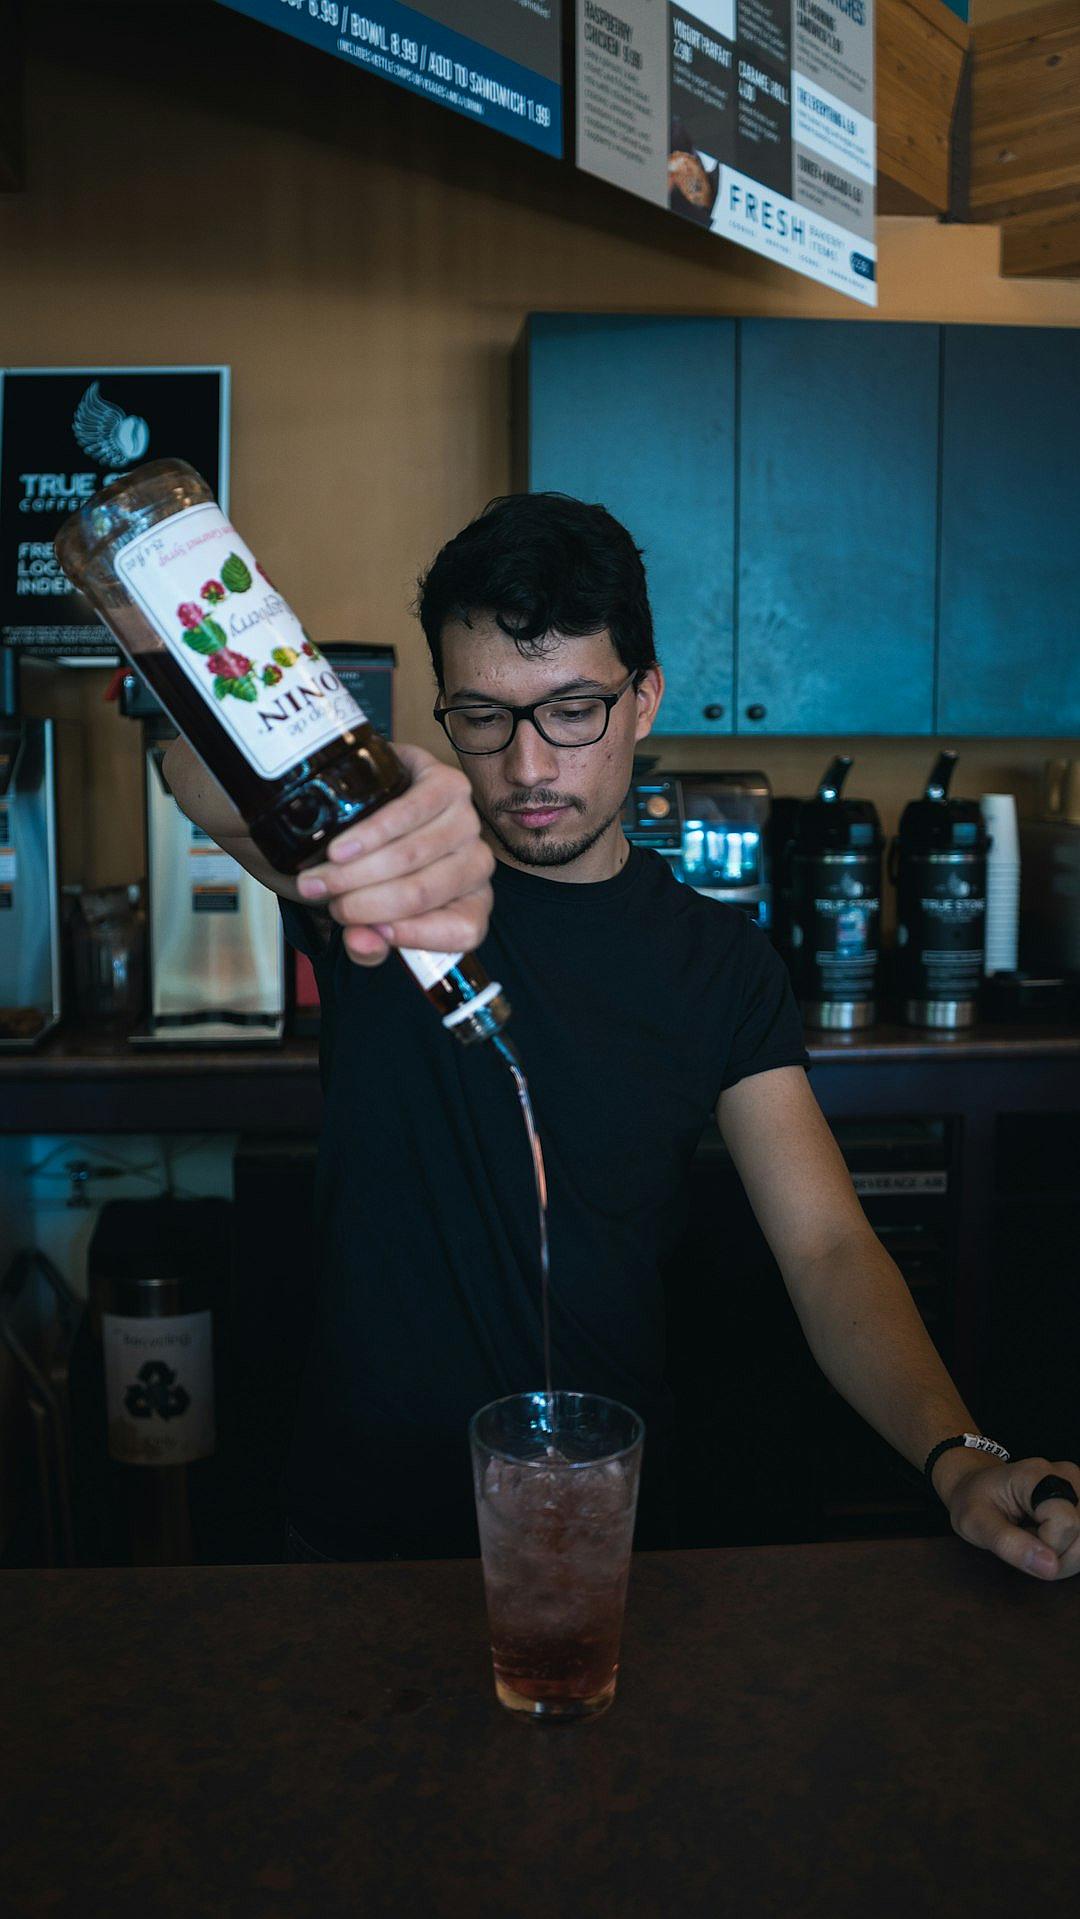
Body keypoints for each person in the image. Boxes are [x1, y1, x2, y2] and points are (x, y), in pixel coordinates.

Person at [163, 492, 1080, 1580]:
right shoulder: (391, 880)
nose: (529, 765)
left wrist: (959, 1453)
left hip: (602, 1526)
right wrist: (376, 797)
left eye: (572, 709)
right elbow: (191, 772)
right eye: (484, 716)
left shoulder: (719, 965)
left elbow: (827, 1246)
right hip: (363, 1528)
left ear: (642, 699)